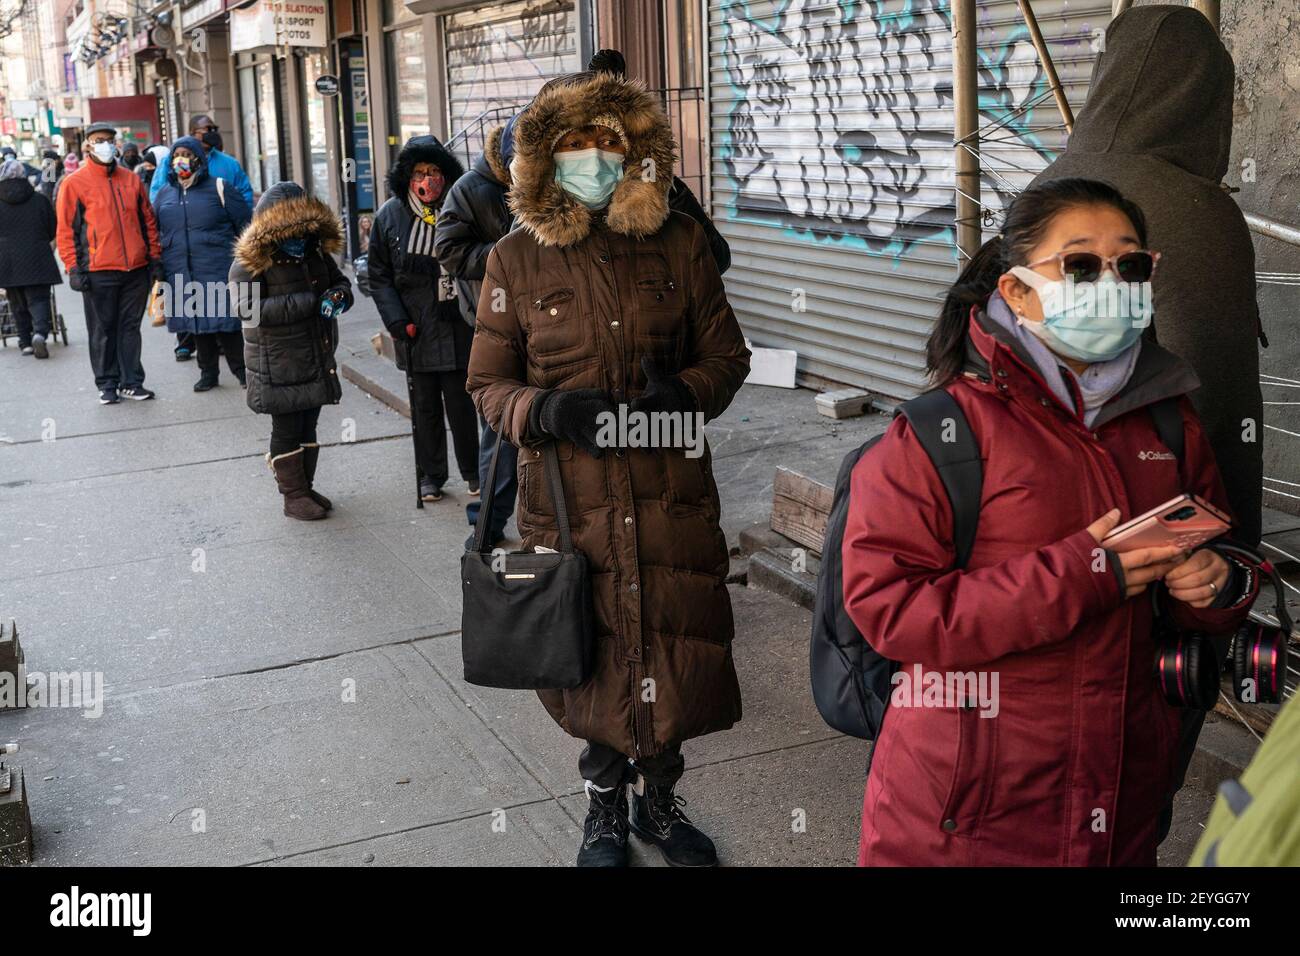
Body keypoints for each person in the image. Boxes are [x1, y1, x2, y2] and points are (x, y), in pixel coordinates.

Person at [841, 178, 1261, 867]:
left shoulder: (1168, 420)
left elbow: (1206, 570)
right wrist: (1088, 573)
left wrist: (1215, 590)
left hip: (1119, 799)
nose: (1109, 282)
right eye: (1080, 265)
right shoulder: (939, 433)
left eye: (1128, 264)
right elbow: (890, 612)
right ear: (1017, 292)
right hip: (963, 816)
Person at [467, 70, 751, 867]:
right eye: (573, 144)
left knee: (670, 646)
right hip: (568, 499)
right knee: (590, 652)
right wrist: (546, 412)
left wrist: (685, 393)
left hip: (671, 492)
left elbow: (728, 357)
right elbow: (486, 385)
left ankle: (659, 803)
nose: (592, 157)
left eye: (608, 142)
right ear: (543, 159)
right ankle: (602, 807)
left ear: (636, 153)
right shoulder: (513, 259)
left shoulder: (682, 242)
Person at [1031, 8, 1261, 548]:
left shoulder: (1047, 183)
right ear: (1206, 99)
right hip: (1139, 508)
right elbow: (1219, 401)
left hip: (1030, 498)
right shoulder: (1192, 209)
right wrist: (1233, 555)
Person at [230, 181, 352, 520]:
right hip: (277, 360)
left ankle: (305, 486)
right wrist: (309, 303)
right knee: (287, 427)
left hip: (315, 352)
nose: (298, 238)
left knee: (309, 423)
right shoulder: (253, 260)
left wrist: (338, 296)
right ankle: (293, 495)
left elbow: (339, 281)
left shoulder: (314, 251)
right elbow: (247, 308)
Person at [370, 135, 479, 503]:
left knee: (462, 406)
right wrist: (397, 322)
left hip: (457, 324)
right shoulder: (390, 215)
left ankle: (474, 471)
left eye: (434, 171)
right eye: (419, 172)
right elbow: (379, 275)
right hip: (415, 329)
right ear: (407, 177)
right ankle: (431, 475)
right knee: (425, 408)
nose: (427, 180)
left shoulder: (462, 208)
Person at [435, 117, 518, 542]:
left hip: (549, 322)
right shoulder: (471, 187)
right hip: (496, 322)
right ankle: (488, 524)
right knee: (500, 428)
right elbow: (448, 250)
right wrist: (508, 253)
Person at [585, 49, 731, 274]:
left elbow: (717, 258)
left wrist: (661, 191)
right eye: (581, 144)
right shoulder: (562, 201)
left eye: (611, 141)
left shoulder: (660, 188)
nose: (598, 154)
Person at [56, 121, 163, 404]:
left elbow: (148, 221)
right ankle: (107, 383)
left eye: (109, 139)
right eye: (98, 139)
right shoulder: (74, 183)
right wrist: (73, 268)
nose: (105, 144)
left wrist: (154, 257)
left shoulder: (131, 180)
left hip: (135, 270)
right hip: (98, 271)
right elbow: (65, 231)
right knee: (103, 330)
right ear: (88, 145)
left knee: (130, 328)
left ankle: (132, 381)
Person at [152, 136, 253, 392]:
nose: (180, 160)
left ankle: (243, 372)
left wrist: (247, 263)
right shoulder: (164, 194)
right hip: (180, 269)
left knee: (227, 323)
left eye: (186, 154)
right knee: (196, 324)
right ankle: (208, 373)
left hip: (218, 267)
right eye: (176, 155)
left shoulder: (220, 187)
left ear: (198, 158)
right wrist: (159, 266)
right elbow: (156, 231)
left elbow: (245, 226)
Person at [0, 159, 61, 358]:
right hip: (37, 255)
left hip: (7, 259)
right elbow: (53, 228)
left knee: (16, 301)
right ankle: (40, 335)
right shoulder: (40, 199)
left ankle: (25, 341)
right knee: (39, 299)